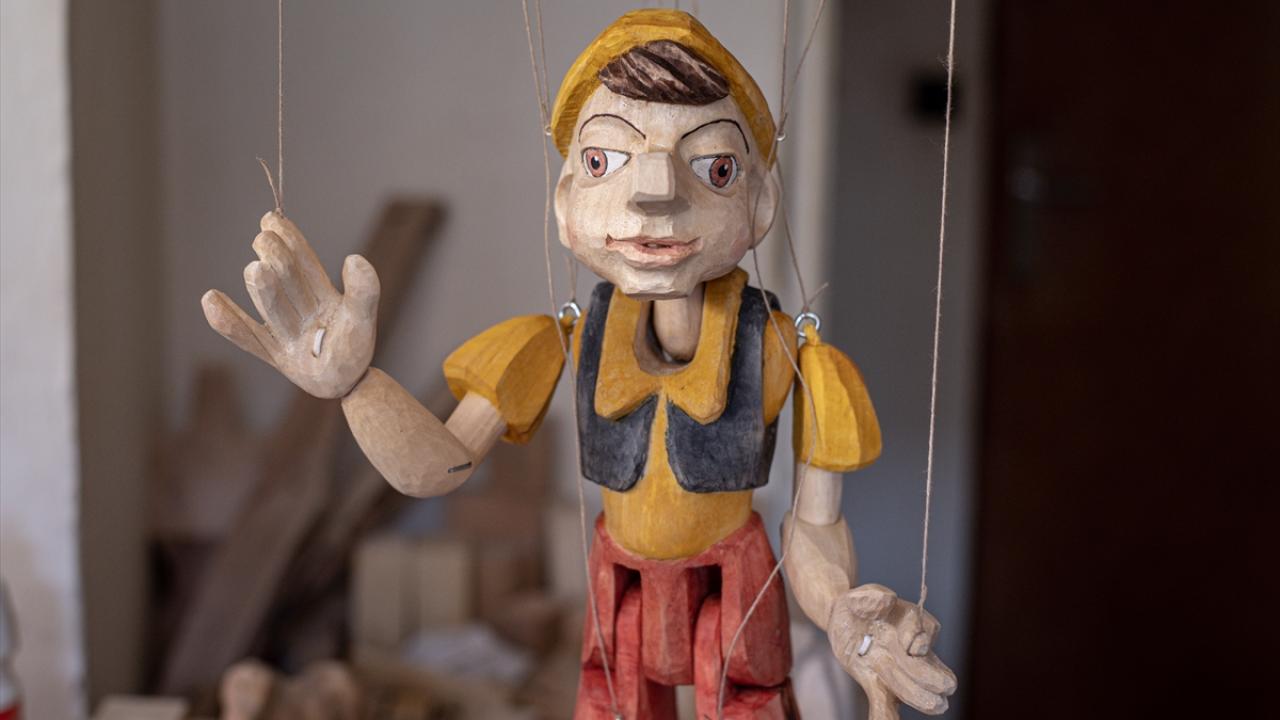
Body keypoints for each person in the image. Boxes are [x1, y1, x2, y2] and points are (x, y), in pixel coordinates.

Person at [202, 9, 955, 720]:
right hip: (616, 597)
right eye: (604, 160)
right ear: (566, 206)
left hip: (736, 599)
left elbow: (814, 528)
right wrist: (356, 388)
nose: (656, 196)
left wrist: (839, 611)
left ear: (760, 204)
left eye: (715, 168)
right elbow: (440, 464)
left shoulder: (792, 355)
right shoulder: (563, 337)